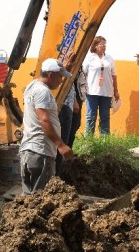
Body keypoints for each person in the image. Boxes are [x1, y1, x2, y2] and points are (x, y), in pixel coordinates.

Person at [20, 58, 75, 195]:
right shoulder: (43, 92)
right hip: (41, 152)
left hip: (28, 151)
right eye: (60, 76)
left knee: (28, 199)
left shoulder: (32, 86)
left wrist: (63, 67)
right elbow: (44, 121)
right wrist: (61, 146)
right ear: (51, 75)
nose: (61, 80)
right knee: (41, 199)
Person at [82, 36, 119, 136]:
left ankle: (104, 141)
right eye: (101, 44)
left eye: (104, 44)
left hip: (106, 92)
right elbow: (83, 74)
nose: (104, 46)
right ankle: (88, 141)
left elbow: (114, 76)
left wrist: (116, 91)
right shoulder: (89, 58)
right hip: (92, 92)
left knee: (105, 117)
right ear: (95, 46)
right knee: (91, 117)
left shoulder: (109, 58)